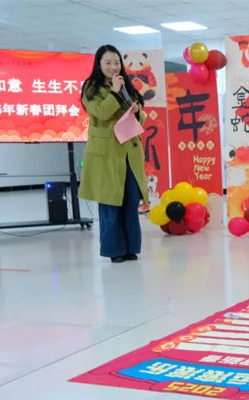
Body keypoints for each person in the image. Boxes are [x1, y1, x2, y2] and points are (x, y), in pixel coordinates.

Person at [79, 44, 149, 263]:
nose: (113, 67)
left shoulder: (125, 84)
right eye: (108, 63)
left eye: (116, 62)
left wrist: (138, 111)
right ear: (99, 65)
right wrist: (115, 92)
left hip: (129, 153)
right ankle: (114, 250)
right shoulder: (91, 88)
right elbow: (101, 112)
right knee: (111, 202)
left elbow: (141, 117)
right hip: (107, 154)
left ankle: (131, 247)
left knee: (130, 201)